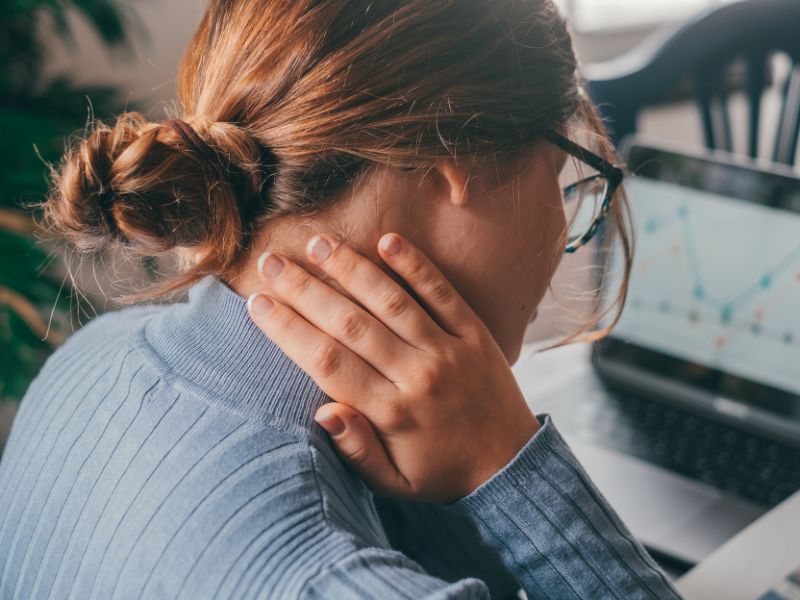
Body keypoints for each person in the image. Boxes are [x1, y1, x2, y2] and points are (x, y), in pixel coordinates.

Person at [0, 0, 681, 598]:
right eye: (565, 171)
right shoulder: (331, 579)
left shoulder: (85, 362)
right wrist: (505, 465)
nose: (564, 222)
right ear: (460, 167)